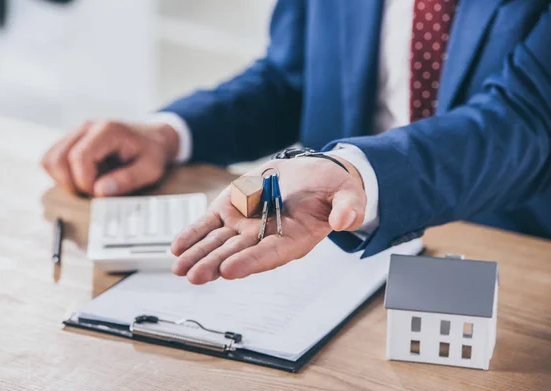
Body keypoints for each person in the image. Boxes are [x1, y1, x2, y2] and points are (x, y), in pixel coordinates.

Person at [42, 0, 551, 285]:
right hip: (329, 251)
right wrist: (169, 134)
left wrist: (358, 174)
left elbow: (527, 118)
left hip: (512, 257)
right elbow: (292, 78)